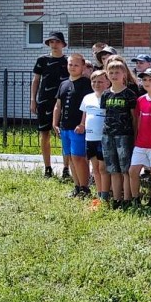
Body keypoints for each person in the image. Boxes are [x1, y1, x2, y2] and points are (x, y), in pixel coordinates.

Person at [53, 53, 92, 197]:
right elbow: (58, 105)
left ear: (83, 67)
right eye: (70, 64)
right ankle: (76, 186)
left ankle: (85, 187)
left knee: (78, 157)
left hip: (78, 128)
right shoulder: (63, 84)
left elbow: (88, 106)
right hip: (65, 127)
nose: (73, 67)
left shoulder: (86, 83)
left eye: (76, 65)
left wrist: (82, 124)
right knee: (69, 157)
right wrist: (55, 123)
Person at [100, 58, 138, 207]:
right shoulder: (105, 94)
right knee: (113, 169)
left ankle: (127, 199)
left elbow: (134, 117)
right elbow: (105, 114)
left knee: (125, 169)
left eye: (117, 72)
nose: (114, 75)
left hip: (124, 135)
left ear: (124, 74)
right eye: (111, 72)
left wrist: (135, 135)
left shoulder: (129, 94)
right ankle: (117, 199)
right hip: (108, 135)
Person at [31, 31, 69, 177]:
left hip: (63, 102)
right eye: (51, 42)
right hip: (44, 101)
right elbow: (36, 80)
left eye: (57, 42)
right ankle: (47, 167)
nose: (54, 44)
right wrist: (33, 100)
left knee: (65, 134)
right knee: (44, 134)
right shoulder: (42, 60)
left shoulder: (68, 61)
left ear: (63, 44)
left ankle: (66, 168)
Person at [129, 68, 151, 207]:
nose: (147, 82)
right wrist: (135, 139)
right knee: (133, 171)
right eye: (144, 79)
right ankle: (135, 198)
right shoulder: (140, 100)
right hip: (140, 143)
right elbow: (137, 121)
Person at [80, 70, 111, 200]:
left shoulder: (109, 97)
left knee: (103, 168)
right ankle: (99, 195)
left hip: (104, 138)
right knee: (96, 168)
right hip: (90, 138)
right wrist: (81, 125)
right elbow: (84, 115)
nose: (96, 84)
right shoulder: (87, 97)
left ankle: (105, 195)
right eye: (94, 81)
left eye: (100, 82)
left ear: (108, 83)